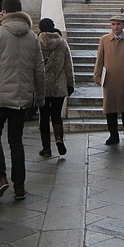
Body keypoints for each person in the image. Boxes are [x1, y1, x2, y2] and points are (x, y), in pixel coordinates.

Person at [0, 0, 45, 201]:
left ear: (4, 12)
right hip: (22, 99)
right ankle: (20, 187)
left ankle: (0, 178)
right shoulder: (32, 36)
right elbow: (39, 71)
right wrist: (39, 96)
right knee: (16, 141)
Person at [93, 15, 124, 145]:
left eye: (118, 24)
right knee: (110, 109)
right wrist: (97, 75)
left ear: (123, 25)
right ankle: (113, 134)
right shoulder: (104, 40)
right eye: (113, 24)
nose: (116, 27)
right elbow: (100, 59)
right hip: (110, 80)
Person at [36, 18, 74, 158]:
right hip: (59, 85)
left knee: (44, 117)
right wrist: (70, 84)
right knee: (56, 115)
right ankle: (59, 139)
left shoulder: (36, 43)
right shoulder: (62, 43)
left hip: (42, 86)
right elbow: (68, 66)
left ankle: (46, 148)